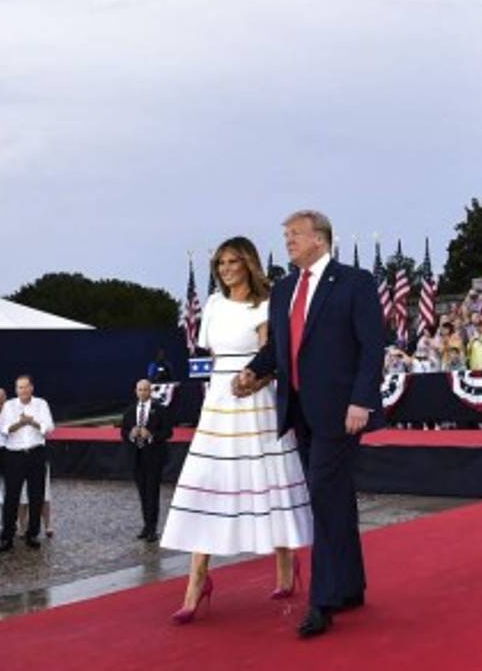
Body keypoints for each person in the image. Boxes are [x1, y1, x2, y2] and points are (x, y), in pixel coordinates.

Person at [239, 211, 385, 640]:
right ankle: (351, 586)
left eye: (295, 235)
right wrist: (253, 370)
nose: (287, 241)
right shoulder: (284, 289)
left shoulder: (355, 282)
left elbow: (372, 348)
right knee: (334, 498)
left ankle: (322, 601)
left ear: (319, 239)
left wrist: (362, 400)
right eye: (285, 234)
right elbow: (281, 349)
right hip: (298, 411)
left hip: (341, 413)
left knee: (322, 497)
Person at [162, 236, 312, 623]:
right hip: (219, 402)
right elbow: (212, 354)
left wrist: (254, 382)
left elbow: (274, 356)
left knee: (267, 479)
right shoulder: (211, 304)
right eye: (221, 263)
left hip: (257, 398)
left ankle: (285, 562)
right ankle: (196, 581)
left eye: (234, 261)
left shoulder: (266, 304)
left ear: (249, 263)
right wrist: (223, 390)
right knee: (209, 482)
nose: (227, 268)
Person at [0, 375, 54, 553]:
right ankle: (7, 537)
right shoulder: (9, 405)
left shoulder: (41, 404)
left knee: (36, 495)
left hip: (36, 452)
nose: (23, 390)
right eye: (19, 387)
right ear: (16, 390)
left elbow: (49, 427)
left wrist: (32, 422)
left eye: (25, 387)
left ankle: (32, 534)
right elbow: (4, 429)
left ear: (32, 388)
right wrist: (20, 423)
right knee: (12, 496)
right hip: (15, 455)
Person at [120, 378, 172, 542]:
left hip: (154, 458)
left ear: (151, 391)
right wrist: (131, 434)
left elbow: (169, 432)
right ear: (136, 391)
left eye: (145, 390)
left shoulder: (160, 410)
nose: (142, 392)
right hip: (136, 458)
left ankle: (152, 528)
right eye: (140, 390)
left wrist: (151, 436)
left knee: (152, 493)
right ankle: (146, 525)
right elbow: (123, 432)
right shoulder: (129, 411)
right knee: (143, 493)